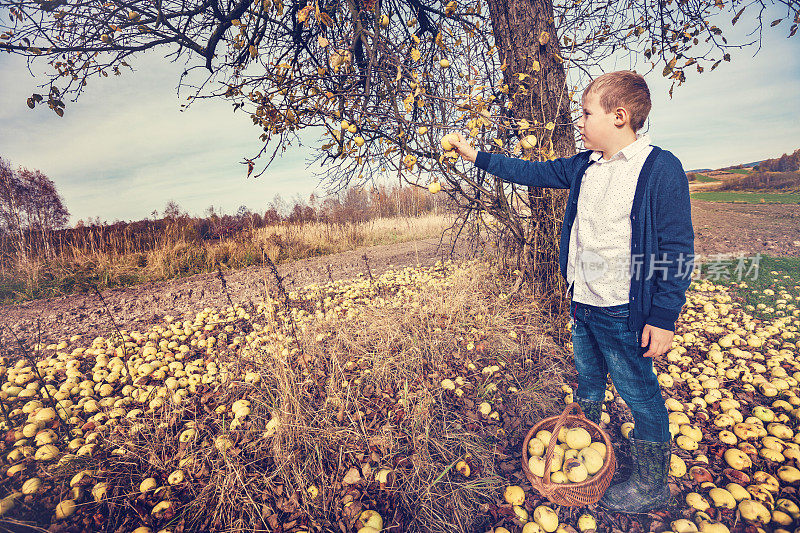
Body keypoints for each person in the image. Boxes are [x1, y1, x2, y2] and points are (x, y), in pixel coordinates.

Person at [448, 70, 694, 513]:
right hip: (584, 302)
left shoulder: (659, 169)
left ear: (619, 116)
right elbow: (529, 172)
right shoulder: (585, 165)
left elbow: (677, 249)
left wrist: (662, 317)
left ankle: (653, 481)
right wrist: (476, 156)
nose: (578, 123)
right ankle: (582, 448)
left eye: (585, 114)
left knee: (639, 393)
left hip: (625, 310)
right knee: (589, 379)